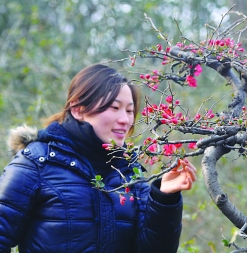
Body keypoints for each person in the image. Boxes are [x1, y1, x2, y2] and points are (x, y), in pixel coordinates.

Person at [0, 64, 197, 253]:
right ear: (78, 110)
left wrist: (165, 199)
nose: (125, 120)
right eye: (114, 107)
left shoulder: (129, 172)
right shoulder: (37, 162)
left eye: (129, 111)